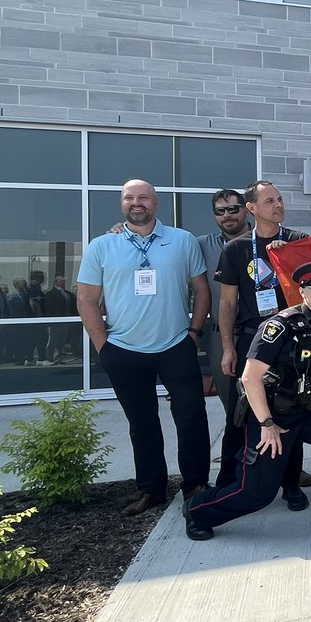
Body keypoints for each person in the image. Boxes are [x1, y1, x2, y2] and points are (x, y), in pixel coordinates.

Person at [183, 261, 311, 541]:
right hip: (273, 414)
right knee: (257, 494)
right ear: (302, 291)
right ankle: (197, 511)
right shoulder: (279, 327)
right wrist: (266, 424)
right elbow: (249, 378)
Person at [77, 179, 212, 516]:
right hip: (123, 349)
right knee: (142, 423)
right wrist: (103, 345)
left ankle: (195, 484)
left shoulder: (181, 241)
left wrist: (194, 332)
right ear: (122, 204)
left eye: (143, 198)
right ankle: (151, 490)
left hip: (175, 345)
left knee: (192, 417)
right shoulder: (101, 246)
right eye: (129, 198)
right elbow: (86, 299)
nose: (136, 203)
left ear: (156, 203)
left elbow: (201, 289)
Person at [214, 180, 311, 505]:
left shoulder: (298, 242)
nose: (279, 205)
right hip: (251, 343)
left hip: (290, 343)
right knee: (241, 414)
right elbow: (227, 303)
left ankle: (291, 484)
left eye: (281, 199)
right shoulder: (236, 249)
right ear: (252, 209)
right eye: (270, 200)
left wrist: (290, 261)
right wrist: (228, 347)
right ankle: (230, 480)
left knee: (290, 410)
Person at [196, 188, 251, 414]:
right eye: (220, 211)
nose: (226, 215)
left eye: (232, 209)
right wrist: (122, 232)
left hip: (260, 331)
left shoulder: (265, 240)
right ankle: (236, 450)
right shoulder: (201, 245)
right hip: (221, 336)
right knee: (231, 403)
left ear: (246, 210)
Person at [44, 275, 77, 363]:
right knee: (52, 340)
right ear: (56, 282)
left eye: (64, 281)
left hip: (66, 321)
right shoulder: (50, 294)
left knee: (62, 340)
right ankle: (49, 357)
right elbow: (48, 308)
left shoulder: (68, 293)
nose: (63, 283)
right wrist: (49, 321)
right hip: (55, 321)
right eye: (61, 281)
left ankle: (58, 356)